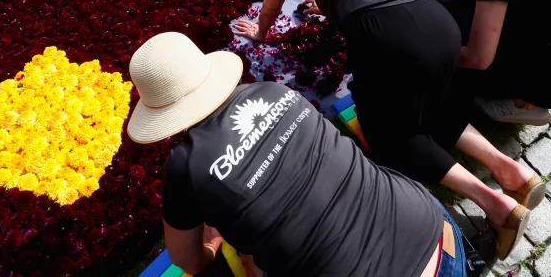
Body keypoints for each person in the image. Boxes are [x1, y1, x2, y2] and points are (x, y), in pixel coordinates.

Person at [233, 0, 538, 261]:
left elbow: (273, 0)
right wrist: (327, 5)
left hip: (392, 36)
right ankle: (510, 171)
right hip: (434, 20)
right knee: (432, 107)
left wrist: (260, 29)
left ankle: (497, 206)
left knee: (392, 136)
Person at [127, 32, 471, 277]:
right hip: (439, 233)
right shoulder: (273, 91)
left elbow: (189, 261)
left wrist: (213, 244)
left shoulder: (186, 165)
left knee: (257, 259)